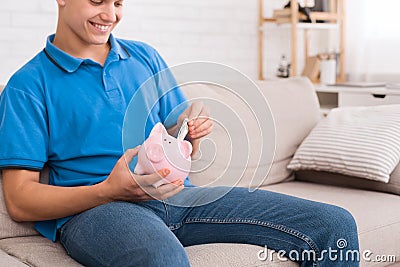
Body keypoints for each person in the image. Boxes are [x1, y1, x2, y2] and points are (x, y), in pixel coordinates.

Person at [0, 0, 360, 266]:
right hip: (98, 211)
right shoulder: (27, 86)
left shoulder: (145, 58)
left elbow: (177, 128)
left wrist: (192, 130)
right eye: (97, 1)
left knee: (334, 225)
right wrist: (106, 191)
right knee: (162, 260)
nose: (109, 14)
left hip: (181, 200)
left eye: (118, 3)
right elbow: (19, 201)